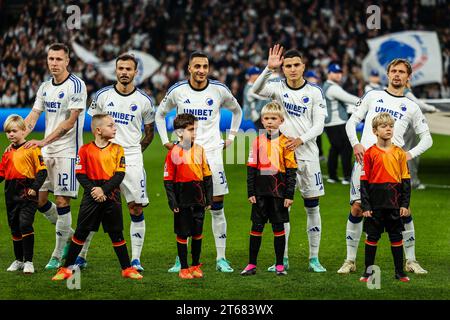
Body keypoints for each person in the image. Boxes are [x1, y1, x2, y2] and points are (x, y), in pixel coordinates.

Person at [339, 58, 433, 275]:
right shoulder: (373, 96)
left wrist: (407, 155)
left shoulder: (411, 106)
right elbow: (351, 122)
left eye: (401, 71)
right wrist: (356, 144)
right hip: (366, 162)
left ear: (408, 77)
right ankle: (350, 260)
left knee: (403, 211)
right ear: (388, 74)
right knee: (357, 207)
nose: (397, 74)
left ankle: (411, 260)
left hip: (393, 167)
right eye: (393, 71)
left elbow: (427, 139)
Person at [155, 51, 242, 273]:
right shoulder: (178, 91)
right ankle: (181, 260)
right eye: (197, 66)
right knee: (183, 207)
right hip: (184, 153)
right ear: (189, 69)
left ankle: (221, 258)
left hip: (211, 153)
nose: (201, 70)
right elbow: (160, 113)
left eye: (205, 66)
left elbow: (237, 110)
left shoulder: (219, 90)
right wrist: (166, 141)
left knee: (216, 204)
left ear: (208, 68)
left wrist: (231, 137)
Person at [251, 44, 327, 272]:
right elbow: (254, 90)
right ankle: (281, 259)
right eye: (287, 66)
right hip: (280, 160)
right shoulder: (277, 87)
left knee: (312, 207)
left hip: (308, 156)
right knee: (282, 209)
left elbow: (319, 125)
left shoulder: (314, 92)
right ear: (283, 68)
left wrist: (301, 140)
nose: (292, 69)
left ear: (303, 67)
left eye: (296, 65)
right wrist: (268, 68)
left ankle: (314, 258)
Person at [77, 53, 155, 271]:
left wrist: (135, 152)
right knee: (95, 205)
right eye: (121, 68)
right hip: (103, 156)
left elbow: (150, 131)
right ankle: (81, 255)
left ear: (135, 72)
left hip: (130, 157)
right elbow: (94, 126)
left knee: (136, 207)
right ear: (116, 70)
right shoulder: (102, 96)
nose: (124, 72)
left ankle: (136, 259)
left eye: (128, 69)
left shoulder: (144, 100)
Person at [51, 114, 143, 281]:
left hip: (111, 195)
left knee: (116, 233)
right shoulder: (85, 150)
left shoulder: (118, 149)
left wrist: (103, 190)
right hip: (91, 194)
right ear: (99, 130)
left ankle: (127, 269)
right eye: (111, 125)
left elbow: (119, 175)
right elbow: (80, 174)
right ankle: (66, 268)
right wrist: (94, 190)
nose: (115, 128)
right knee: (81, 232)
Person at [23, 43, 86, 270]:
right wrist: (20, 137)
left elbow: (70, 122)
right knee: (38, 201)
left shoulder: (77, 86)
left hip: (68, 152)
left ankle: (59, 254)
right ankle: (80, 240)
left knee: (61, 201)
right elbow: (33, 115)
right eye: (51, 59)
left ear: (67, 61)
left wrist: (43, 141)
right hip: (47, 151)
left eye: (59, 59)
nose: (54, 63)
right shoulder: (44, 87)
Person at [240, 102, 297, 276]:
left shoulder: (286, 142)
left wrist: (289, 194)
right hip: (260, 193)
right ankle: (251, 264)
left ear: (281, 120)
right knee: (256, 227)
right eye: (267, 118)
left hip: (278, 194)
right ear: (262, 121)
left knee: (278, 227)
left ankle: (279, 265)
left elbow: (291, 171)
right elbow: (251, 169)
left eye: (274, 118)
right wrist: (251, 192)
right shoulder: (257, 141)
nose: (270, 122)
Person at [359, 112, 411, 282]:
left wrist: (404, 204)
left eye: (390, 126)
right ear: (375, 131)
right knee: (372, 237)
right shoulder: (369, 153)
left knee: (396, 237)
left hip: (395, 204)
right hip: (375, 205)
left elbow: (405, 181)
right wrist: (366, 206)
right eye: (383, 126)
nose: (388, 129)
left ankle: (399, 272)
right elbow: (364, 182)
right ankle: (368, 272)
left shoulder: (400, 153)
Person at [163, 114, 213, 279]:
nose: (194, 133)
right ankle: (183, 268)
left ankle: (195, 265)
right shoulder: (173, 153)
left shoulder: (200, 149)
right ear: (179, 132)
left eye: (196, 129)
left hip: (198, 198)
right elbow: (168, 180)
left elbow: (207, 175)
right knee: (183, 233)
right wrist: (172, 201)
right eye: (191, 130)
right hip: (182, 199)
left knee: (198, 232)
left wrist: (209, 198)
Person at [0, 115, 48, 274]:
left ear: (23, 131)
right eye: (8, 132)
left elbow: (42, 171)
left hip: (28, 192)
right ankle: (18, 260)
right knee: (14, 227)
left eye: (14, 131)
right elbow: (1, 174)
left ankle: (28, 261)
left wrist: (35, 187)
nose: (10, 134)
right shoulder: (7, 152)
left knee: (25, 224)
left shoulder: (32, 149)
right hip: (10, 193)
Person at [323, 63, 359, 184]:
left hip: (330, 123)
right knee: (346, 149)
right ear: (329, 73)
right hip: (337, 123)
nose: (338, 75)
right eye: (335, 72)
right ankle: (347, 177)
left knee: (335, 149)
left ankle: (333, 176)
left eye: (340, 73)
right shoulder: (332, 88)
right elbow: (348, 98)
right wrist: (366, 101)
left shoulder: (327, 86)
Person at [403, 83, 438, 190]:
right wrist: (432, 108)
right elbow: (418, 103)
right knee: (410, 153)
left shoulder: (390, 91)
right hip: (407, 125)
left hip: (397, 126)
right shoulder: (404, 91)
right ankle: (412, 181)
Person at [305, 70, 325, 162]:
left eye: (315, 78)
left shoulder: (317, 90)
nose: (315, 80)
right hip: (307, 119)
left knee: (317, 137)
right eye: (313, 78)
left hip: (315, 118)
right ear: (307, 78)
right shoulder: (304, 89)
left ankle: (318, 154)